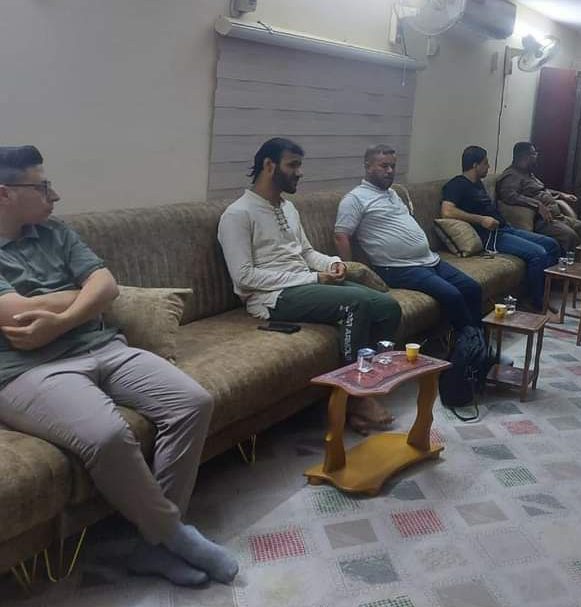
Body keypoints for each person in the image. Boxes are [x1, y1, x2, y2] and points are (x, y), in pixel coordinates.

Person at [0, 146, 236, 587]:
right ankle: (173, 535)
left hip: (103, 347)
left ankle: (152, 547)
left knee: (192, 402)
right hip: (28, 371)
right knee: (108, 435)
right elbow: (16, 315)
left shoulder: (55, 232)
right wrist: (84, 297)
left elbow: (107, 286)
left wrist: (62, 317)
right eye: (42, 187)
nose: (55, 195)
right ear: (4, 193)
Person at [218, 138, 401, 434]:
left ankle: (371, 382)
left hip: (303, 284)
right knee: (354, 303)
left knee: (387, 306)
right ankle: (354, 397)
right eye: (293, 165)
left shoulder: (288, 207)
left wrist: (332, 264)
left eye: (299, 165)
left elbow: (305, 252)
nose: (299, 172)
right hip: (272, 298)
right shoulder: (238, 214)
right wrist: (314, 278)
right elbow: (244, 277)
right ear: (269, 166)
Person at [334, 144, 482, 331]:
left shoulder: (393, 194)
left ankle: (477, 338)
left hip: (429, 260)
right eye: (384, 166)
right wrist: (351, 275)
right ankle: (469, 342)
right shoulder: (355, 199)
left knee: (472, 288)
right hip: (397, 268)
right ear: (368, 166)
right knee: (452, 295)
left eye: (393, 166)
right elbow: (341, 236)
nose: (390, 171)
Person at [441, 145, 559, 311]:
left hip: (504, 229)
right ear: (475, 165)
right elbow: (447, 211)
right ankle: (536, 304)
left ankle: (541, 293)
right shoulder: (456, 185)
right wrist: (481, 219)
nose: (489, 166)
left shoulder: (477, 183)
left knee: (551, 245)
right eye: (485, 163)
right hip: (489, 236)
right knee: (538, 253)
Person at [495, 142, 581, 254]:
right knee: (570, 236)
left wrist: (561, 194)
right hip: (541, 220)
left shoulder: (527, 174)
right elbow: (509, 196)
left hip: (556, 216)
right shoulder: (511, 175)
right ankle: (566, 264)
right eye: (534, 153)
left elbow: (540, 190)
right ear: (525, 156)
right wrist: (537, 205)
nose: (536, 156)